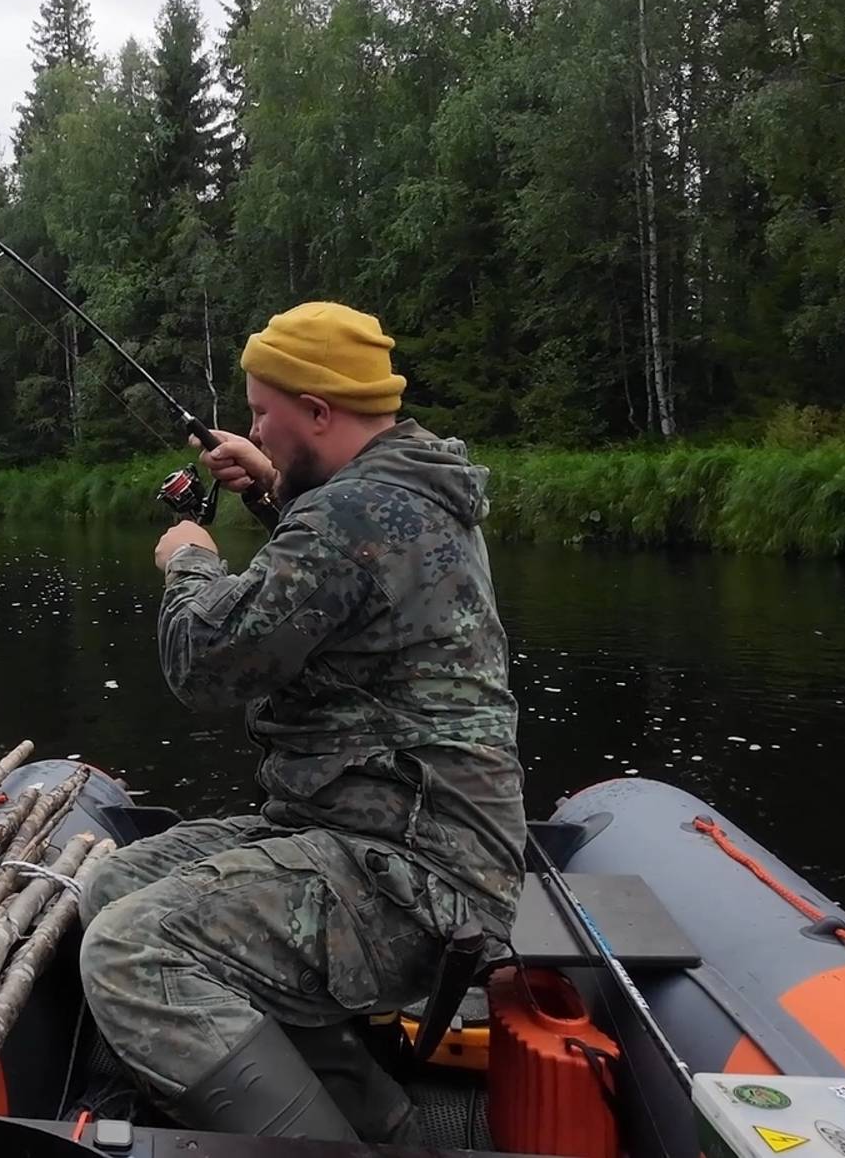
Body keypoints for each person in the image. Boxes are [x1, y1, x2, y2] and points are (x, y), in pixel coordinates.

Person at [77, 301, 525, 1142]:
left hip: (413, 881)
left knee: (130, 949)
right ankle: (378, 1120)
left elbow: (207, 662)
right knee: (114, 883)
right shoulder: (405, 490)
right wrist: (277, 484)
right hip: (379, 839)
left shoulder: (354, 514)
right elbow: (337, 583)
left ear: (319, 412)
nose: (250, 428)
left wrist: (189, 561)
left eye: (261, 414)